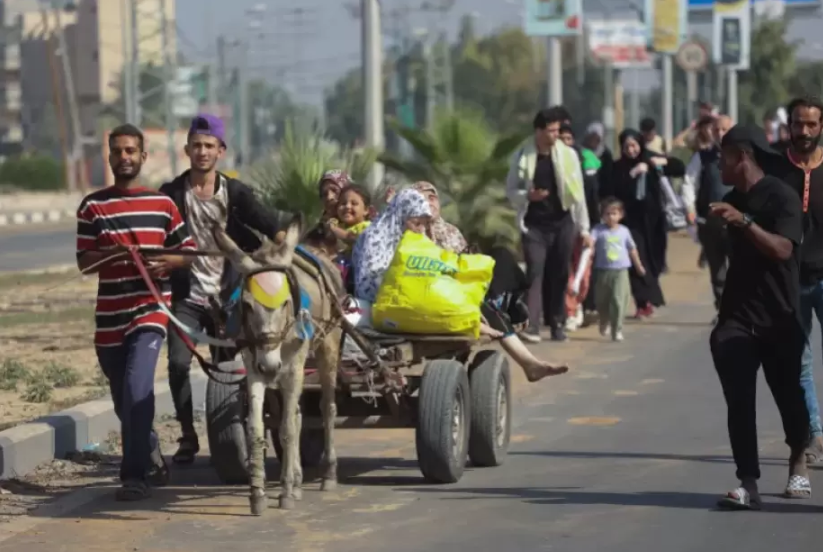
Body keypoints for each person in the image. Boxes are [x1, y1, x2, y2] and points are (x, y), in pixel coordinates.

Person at [77, 124, 196, 500]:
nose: (124, 157)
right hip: (109, 316)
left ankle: (134, 476)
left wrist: (168, 263)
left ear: (143, 157)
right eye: (118, 151)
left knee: (137, 388)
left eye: (131, 151)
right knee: (122, 401)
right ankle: (151, 452)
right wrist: (114, 253)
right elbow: (84, 262)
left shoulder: (163, 205)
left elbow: (188, 252)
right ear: (109, 157)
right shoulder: (93, 206)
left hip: (149, 312)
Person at [158, 114, 283, 465]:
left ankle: (234, 433)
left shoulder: (236, 193)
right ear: (187, 150)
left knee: (231, 370)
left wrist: (285, 248)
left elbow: (270, 225)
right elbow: (154, 236)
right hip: (188, 298)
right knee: (178, 365)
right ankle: (186, 434)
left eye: (209, 146)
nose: (202, 152)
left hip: (230, 298)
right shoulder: (169, 194)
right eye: (196, 145)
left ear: (221, 151)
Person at [353, 188, 569, 382]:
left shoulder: (416, 236)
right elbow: (375, 282)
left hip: (413, 297)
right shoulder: (376, 237)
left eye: (423, 223)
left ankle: (524, 355)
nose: (420, 229)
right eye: (416, 223)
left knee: (488, 277)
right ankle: (513, 347)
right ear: (401, 214)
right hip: (390, 305)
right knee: (470, 302)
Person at [709, 124, 810, 510]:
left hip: (780, 317)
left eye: (723, 156)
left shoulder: (781, 197)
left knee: (789, 399)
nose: (719, 163)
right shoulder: (730, 199)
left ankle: (798, 459)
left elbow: (783, 250)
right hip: (738, 318)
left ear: (743, 156)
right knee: (739, 400)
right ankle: (747, 482)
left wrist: (744, 222)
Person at [506, 107, 592, 343]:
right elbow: (511, 190)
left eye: (558, 130)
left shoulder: (568, 156)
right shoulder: (522, 156)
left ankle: (557, 322)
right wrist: (528, 196)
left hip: (562, 222)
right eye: (551, 130)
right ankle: (532, 326)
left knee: (559, 273)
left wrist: (584, 228)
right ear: (539, 131)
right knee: (534, 271)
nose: (556, 135)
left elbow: (578, 194)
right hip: (534, 225)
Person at [770, 96, 823, 465]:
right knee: (799, 364)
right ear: (788, 125)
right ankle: (814, 436)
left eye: (811, 124)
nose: (803, 131)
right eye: (798, 124)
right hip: (791, 282)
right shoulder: (774, 170)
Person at [607, 129, 685, 318]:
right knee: (637, 260)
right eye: (627, 147)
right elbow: (612, 189)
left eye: (634, 145)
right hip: (631, 222)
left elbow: (679, 168)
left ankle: (649, 297)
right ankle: (643, 302)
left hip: (654, 220)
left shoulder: (650, 158)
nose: (631, 150)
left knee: (655, 260)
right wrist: (632, 174)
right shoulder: (618, 167)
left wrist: (658, 163)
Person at [681, 115, 734, 321]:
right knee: (717, 270)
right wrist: (690, 209)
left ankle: (740, 311)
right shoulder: (702, 157)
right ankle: (722, 309)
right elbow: (688, 183)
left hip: (737, 223)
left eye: (724, 130)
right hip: (709, 222)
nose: (720, 134)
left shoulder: (744, 155)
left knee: (740, 268)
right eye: (717, 130)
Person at [591, 198, 646, 342]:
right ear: (602, 216)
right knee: (602, 301)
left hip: (621, 271)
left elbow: (632, 249)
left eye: (614, 213)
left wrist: (638, 266)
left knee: (618, 300)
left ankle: (617, 329)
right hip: (602, 271)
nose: (611, 217)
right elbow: (591, 243)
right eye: (607, 214)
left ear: (620, 215)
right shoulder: (598, 230)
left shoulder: (624, 231)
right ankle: (604, 320)